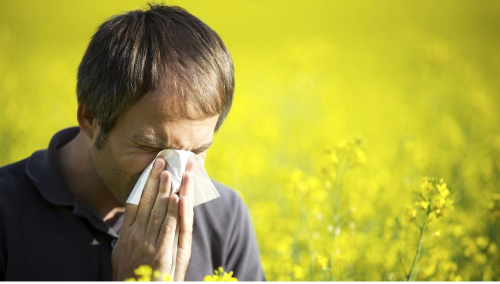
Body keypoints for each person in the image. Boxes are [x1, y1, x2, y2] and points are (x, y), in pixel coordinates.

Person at [0, 4, 265, 281]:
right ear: (90, 118)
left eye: (198, 150)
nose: (173, 178)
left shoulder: (225, 217)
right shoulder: (7, 214)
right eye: (151, 147)